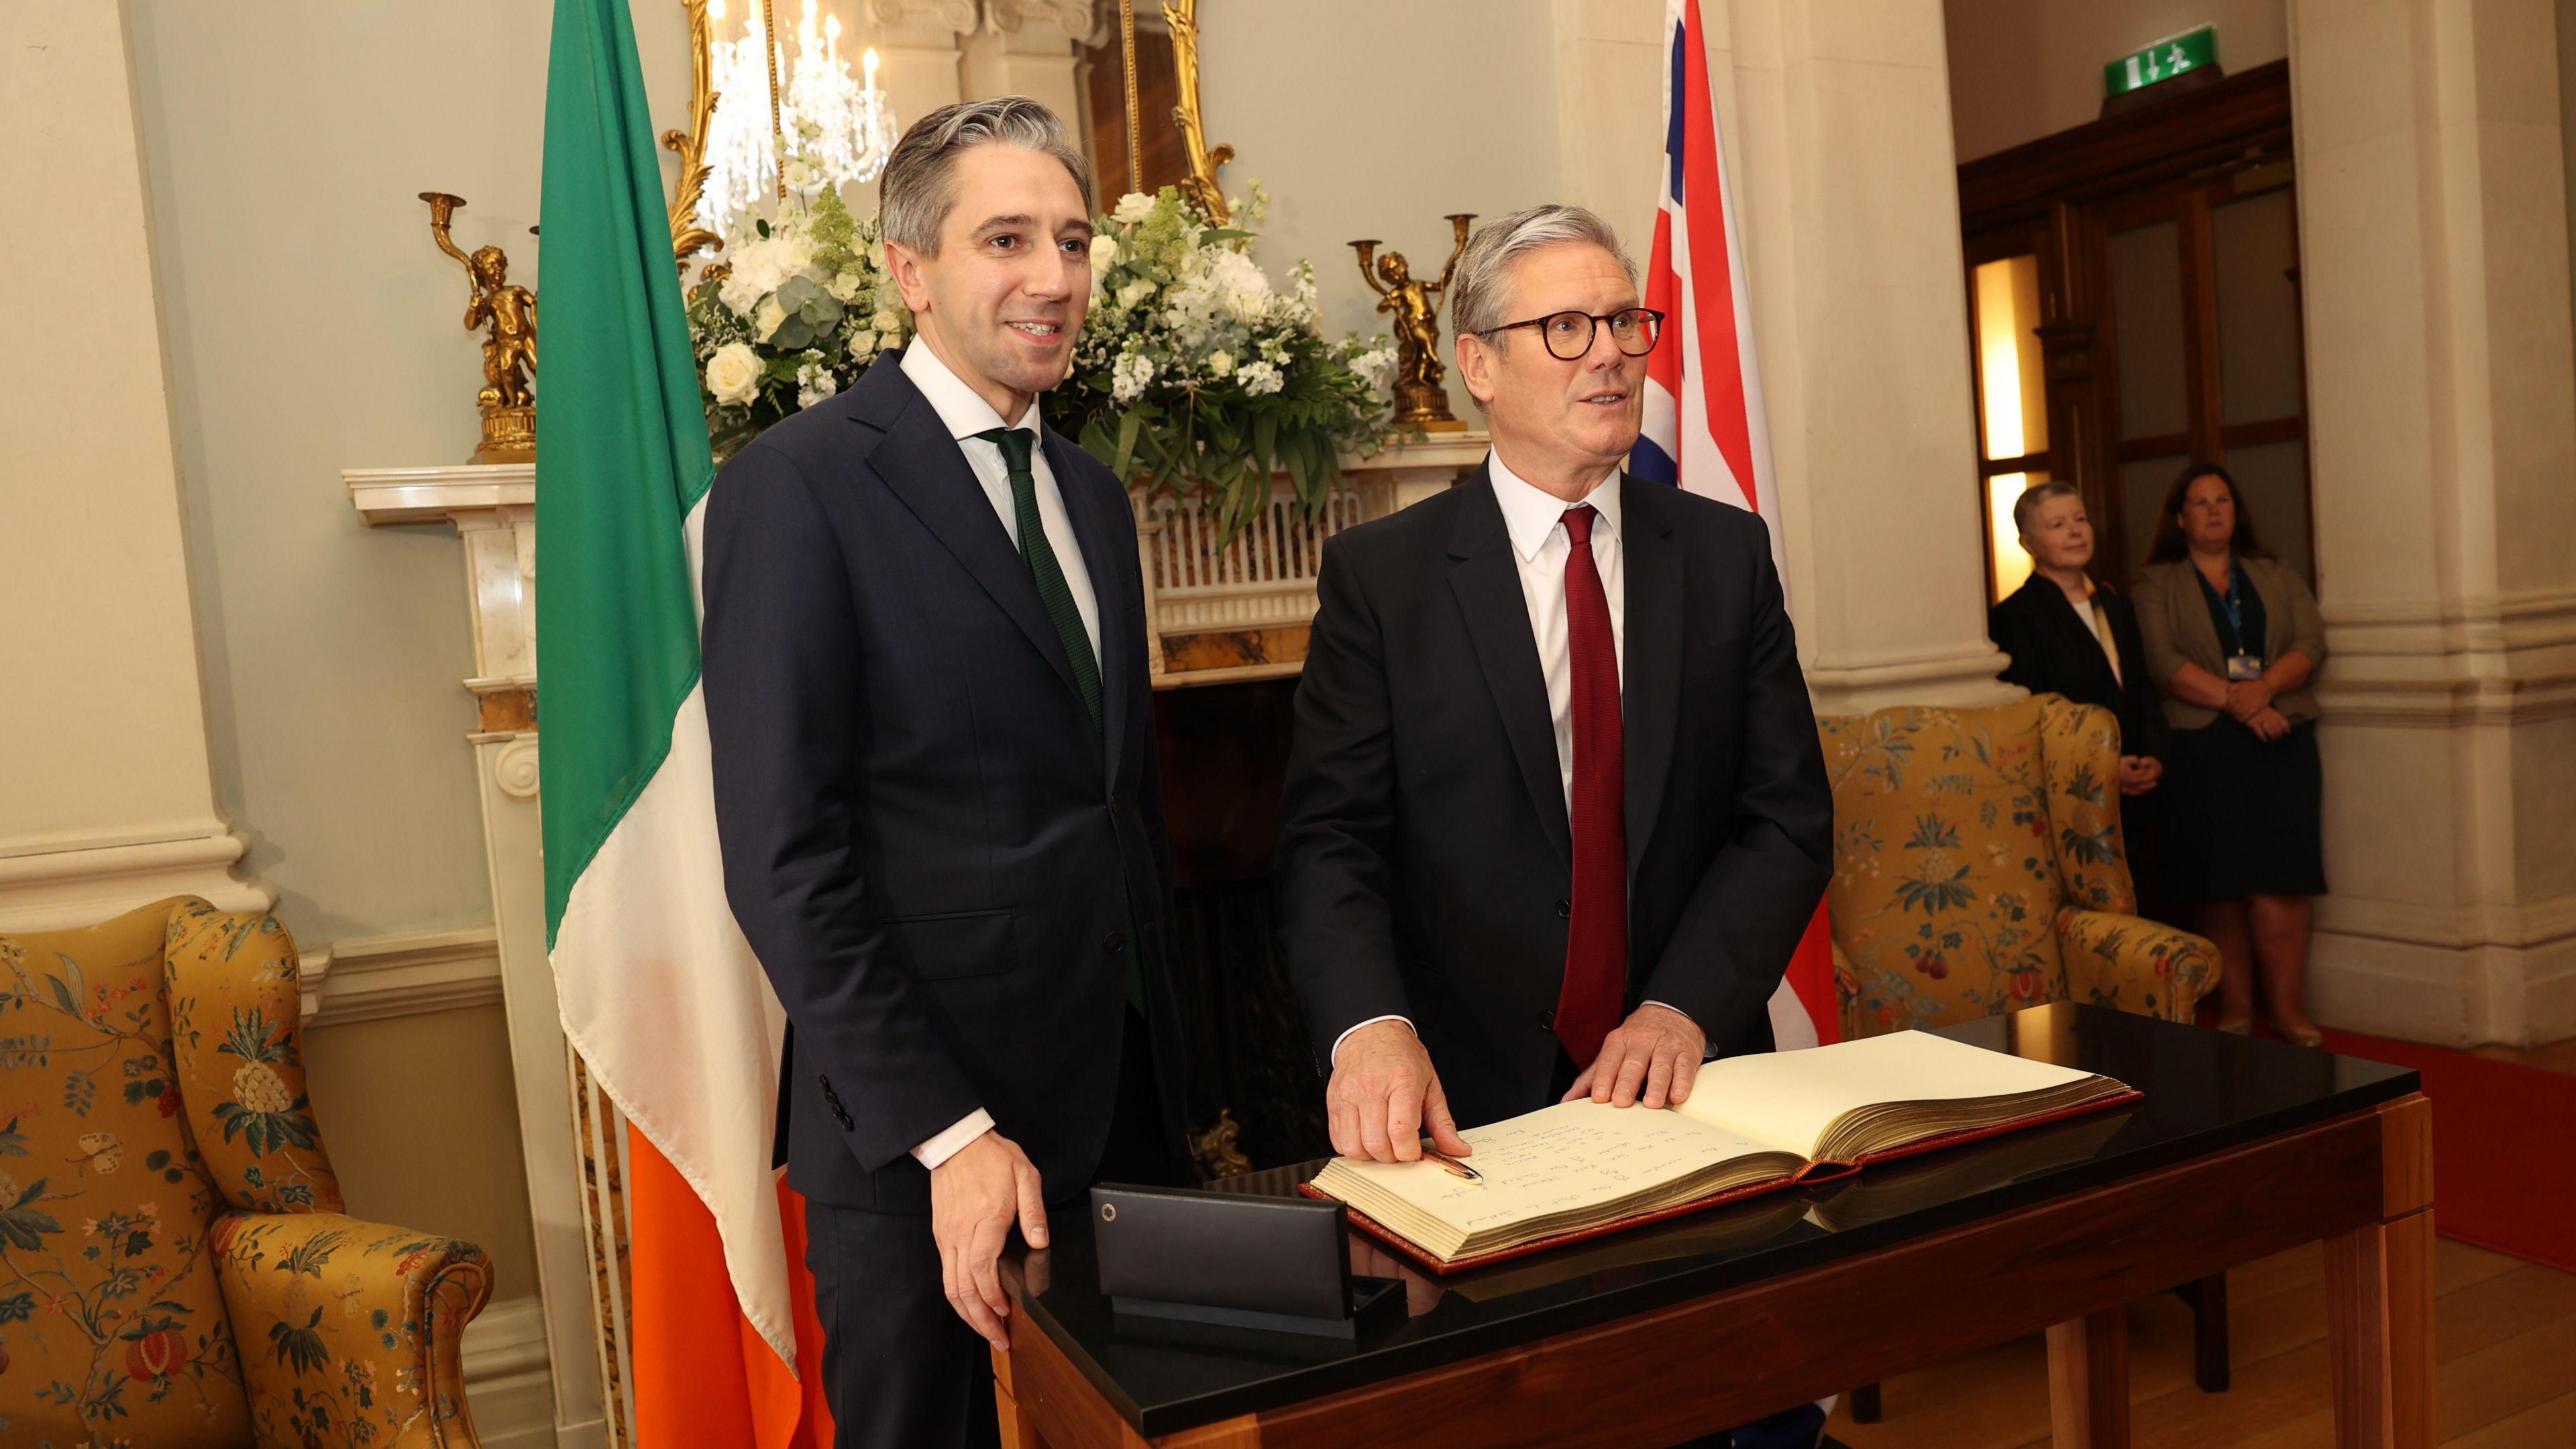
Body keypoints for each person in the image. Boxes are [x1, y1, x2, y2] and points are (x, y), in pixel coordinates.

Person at [1277, 205, 1835, 1449]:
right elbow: (1333, 844)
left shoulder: (1726, 556)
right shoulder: (1386, 581)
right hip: (1470, 1119)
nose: (1614, 354)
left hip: (1695, 1096)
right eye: (1567, 326)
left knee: (1735, 1413)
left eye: (1628, 321)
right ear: (1479, 363)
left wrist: (1684, 1004)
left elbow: (1786, 817)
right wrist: (1370, 1029)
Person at [701, 97, 1190, 1449]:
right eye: (1009, 239)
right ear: (911, 271)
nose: (1056, 278)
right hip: (927, 1152)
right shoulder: (797, 488)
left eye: (1076, 241)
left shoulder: (1090, 494)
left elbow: (1118, 815)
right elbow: (785, 863)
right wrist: (950, 1134)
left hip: (1125, 1125)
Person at [2131, 464, 2328, 1046]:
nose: (2214, 510)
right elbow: (2165, 665)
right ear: (2180, 518)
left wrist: (2265, 692)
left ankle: (2289, 1013)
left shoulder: (2273, 571)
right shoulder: (2155, 582)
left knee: (2284, 881)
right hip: (2203, 747)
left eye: (2223, 500)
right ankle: (2238, 1013)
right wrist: (2246, 705)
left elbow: (2311, 642)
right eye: (2200, 502)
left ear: (2236, 512)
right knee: (2221, 884)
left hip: (2283, 740)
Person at [1987, 482, 2169, 912]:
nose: (2075, 532)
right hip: (2074, 793)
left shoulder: (2111, 600)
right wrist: (2103, 766)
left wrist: (2156, 754)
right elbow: (2035, 713)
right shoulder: (2015, 617)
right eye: (2058, 524)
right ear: (2028, 543)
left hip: (2141, 792)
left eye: (2081, 520)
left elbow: (2141, 687)